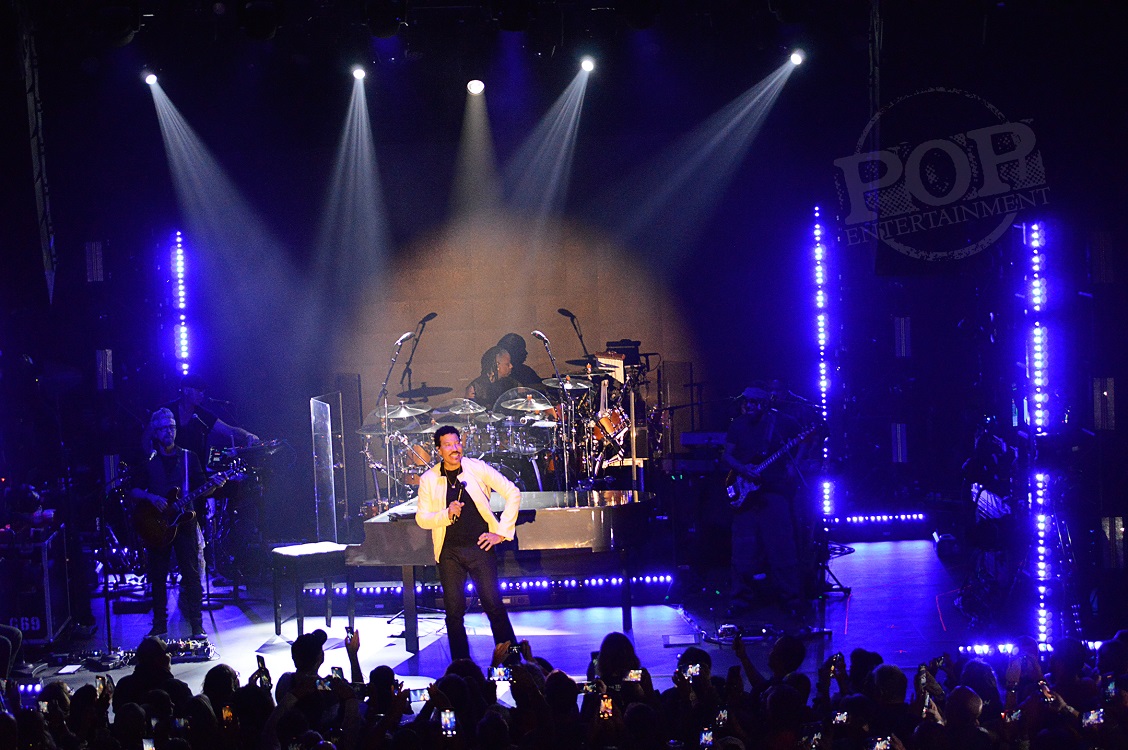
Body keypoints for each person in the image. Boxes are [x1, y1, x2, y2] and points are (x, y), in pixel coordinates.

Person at [415, 425, 521, 660]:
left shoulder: (477, 468)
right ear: (439, 449)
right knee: (453, 614)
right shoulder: (429, 479)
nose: (455, 449)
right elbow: (422, 519)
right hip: (449, 553)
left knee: (494, 607)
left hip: (480, 547)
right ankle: (461, 667)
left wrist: (500, 533)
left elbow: (513, 492)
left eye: (457, 443)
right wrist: (446, 514)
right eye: (448, 445)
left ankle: (514, 660)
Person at [130, 407, 225, 639]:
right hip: (156, 524)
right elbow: (133, 490)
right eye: (164, 428)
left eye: (172, 427)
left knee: (191, 575)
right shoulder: (149, 460)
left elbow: (202, 489)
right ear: (155, 432)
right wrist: (151, 497)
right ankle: (159, 625)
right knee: (158, 576)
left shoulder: (189, 457)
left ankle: (197, 626)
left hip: (185, 522)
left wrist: (214, 484)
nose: (169, 432)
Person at [722, 386, 810, 619]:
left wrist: (794, 464)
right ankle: (740, 599)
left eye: (754, 402)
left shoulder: (781, 423)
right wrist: (743, 469)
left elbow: (804, 439)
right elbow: (727, 454)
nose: (749, 406)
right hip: (746, 495)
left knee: (782, 548)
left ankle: (791, 599)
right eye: (746, 402)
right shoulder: (738, 425)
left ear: (764, 403)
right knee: (742, 549)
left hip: (774, 491)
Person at [156, 373, 260, 470]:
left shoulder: (202, 414)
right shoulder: (166, 410)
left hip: (195, 471)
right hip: (167, 468)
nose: (202, 395)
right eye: (199, 391)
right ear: (186, 391)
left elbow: (229, 430)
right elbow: (149, 436)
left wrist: (247, 434)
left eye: (203, 392)